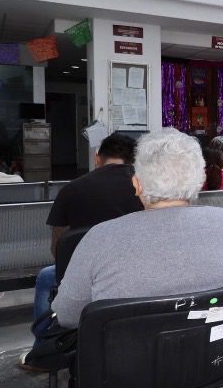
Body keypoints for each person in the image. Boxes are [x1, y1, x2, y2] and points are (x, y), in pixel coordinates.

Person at [51, 128, 223, 388]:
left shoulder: (100, 238)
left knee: (91, 344)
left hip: (120, 377)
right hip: (215, 364)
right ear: (201, 180)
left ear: (138, 184)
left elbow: (66, 315)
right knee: (208, 318)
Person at [20, 133, 144, 371]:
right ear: (134, 160)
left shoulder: (72, 189)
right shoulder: (145, 190)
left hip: (84, 274)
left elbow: (58, 246)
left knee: (46, 278)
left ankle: (43, 351)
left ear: (97, 157)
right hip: (135, 270)